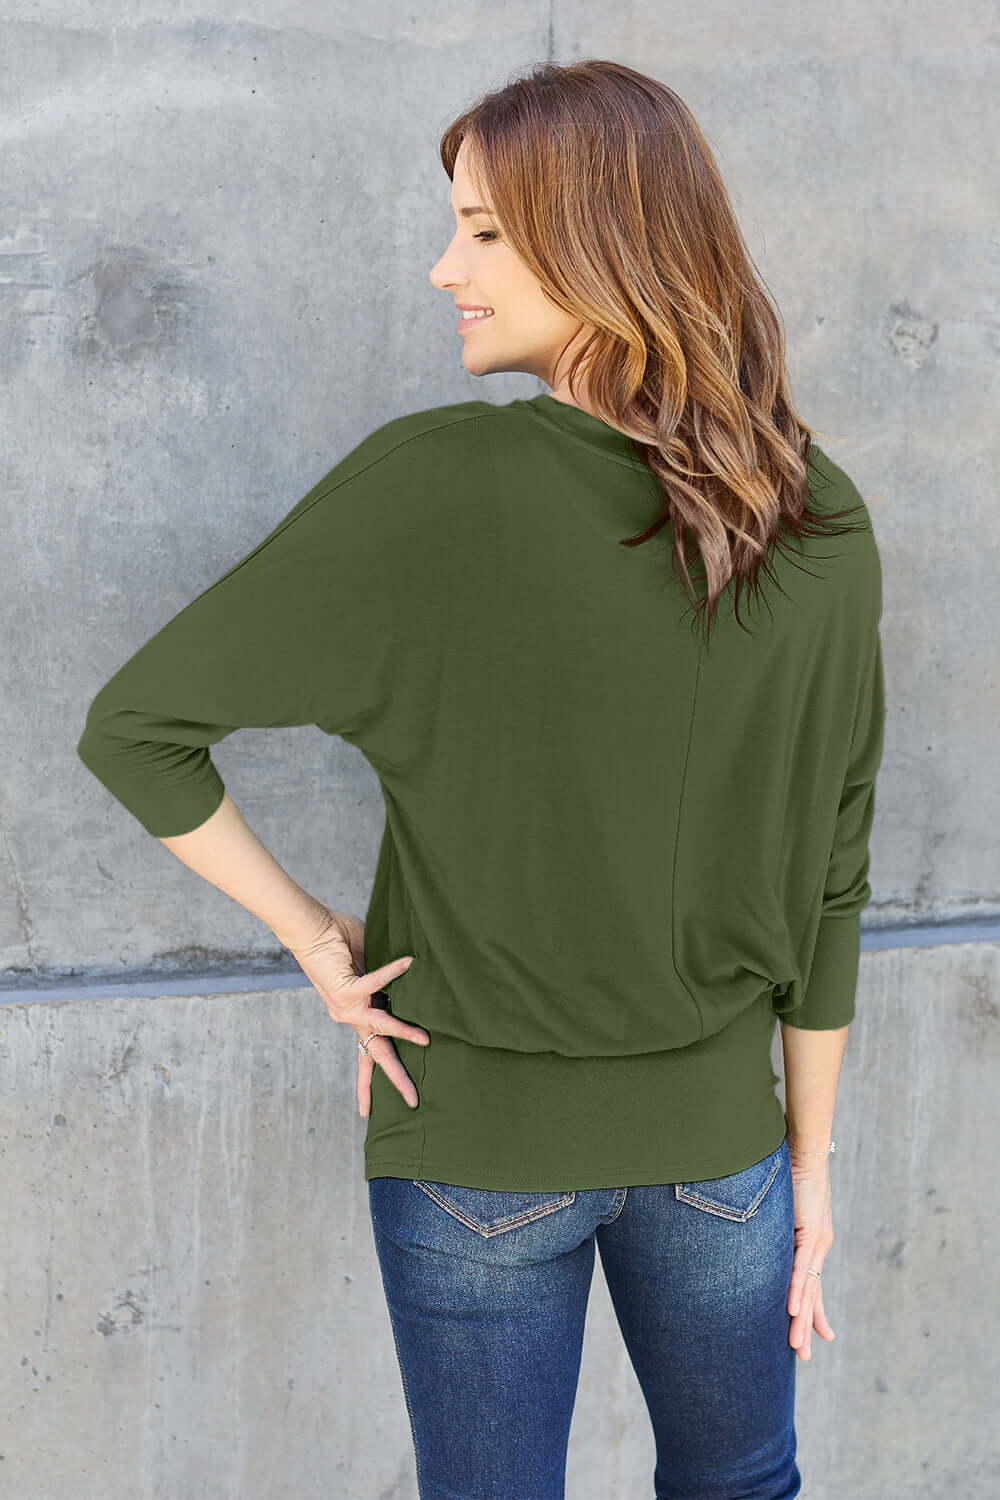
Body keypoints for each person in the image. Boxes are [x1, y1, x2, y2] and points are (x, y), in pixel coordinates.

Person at [76, 58, 886, 1500]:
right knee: (747, 1483)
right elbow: (835, 872)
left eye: (489, 232)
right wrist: (810, 1169)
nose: (448, 267)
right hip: (725, 1152)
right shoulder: (813, 512)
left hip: (475, 1154)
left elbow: (136, 727)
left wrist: (320, 945)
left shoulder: (433, 488)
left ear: (606, 237)